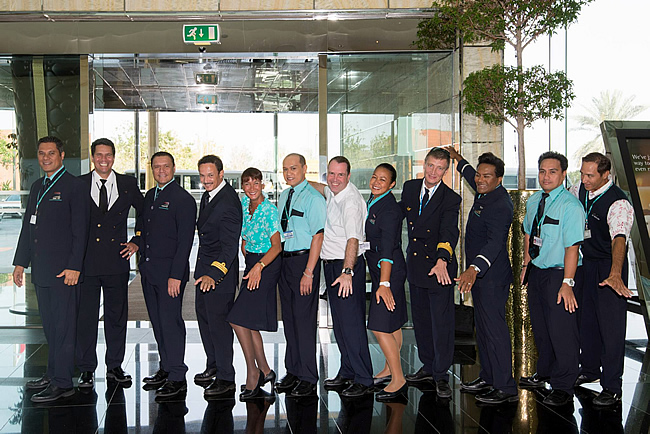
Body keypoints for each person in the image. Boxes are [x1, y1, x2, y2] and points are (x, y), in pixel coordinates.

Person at [13, 136, 89, 403]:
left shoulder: (74, 187)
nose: (46, 158)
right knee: (51, 328)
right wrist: (20, 262)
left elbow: (81, 231)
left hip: (64, 274)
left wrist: (74, 266)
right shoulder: (37, 186)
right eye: (42, 153)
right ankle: (53, 373)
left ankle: (63, 383)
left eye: (51, 153)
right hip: (42, 271)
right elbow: (28, 227)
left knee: (64, 328)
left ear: (62, 155)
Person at [447, 147, 518, 405]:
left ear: (499, 179)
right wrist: (459, 160)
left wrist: (474, 268)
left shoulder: (501, 205)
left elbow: (494, 244)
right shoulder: (484, 191)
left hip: (491, 278)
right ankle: (488, 377)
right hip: (480, 277)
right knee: (484, 331)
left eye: (487, 176)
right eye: (479, 174)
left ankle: (505, 387)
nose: (480, 179)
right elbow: (470, 175)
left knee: (495, 331)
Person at [76, 138, 144, 389]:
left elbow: (144, 212)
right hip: (86, 262)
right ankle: (86, 368)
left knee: (116, 316)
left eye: (108, 155)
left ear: (114, 157)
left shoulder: (127, 184)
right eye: (99, 155)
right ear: (92, 157)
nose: (103, 160)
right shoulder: (79, 184)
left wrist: (137, 240)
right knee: (86, 317)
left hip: (117, 260)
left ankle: (114, 366)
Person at [519, 151, 584, 407]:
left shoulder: (571, 206)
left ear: (563, 174)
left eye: (553, 172)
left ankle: (564, 386)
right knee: (541, 328)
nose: (546, 176)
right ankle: (544, 373)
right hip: (537, 272)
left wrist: (568, 283)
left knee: (562, 331)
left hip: (560, 274)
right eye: (542, 171)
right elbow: (528, 233)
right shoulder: (535, 200)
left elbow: (572, 247)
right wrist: (526, 265)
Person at [569, 152, 634, 407]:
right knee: (587, 320)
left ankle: (612, 386)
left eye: (590, 175)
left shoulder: (618, 202)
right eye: (582, 173)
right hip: (586, 263)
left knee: (611, 328)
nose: (584, 179)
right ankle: (590, 369)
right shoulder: (580, 189)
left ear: (605, 175)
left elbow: (619, 238)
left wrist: (615, 274)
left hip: (609, 265)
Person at [400, 147, 460, 399]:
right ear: (424, 165)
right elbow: (399, 214)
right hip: (416, 265)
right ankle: (427, 366)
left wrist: (442, 259)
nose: (434, 172)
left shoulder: (451, 198)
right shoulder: (410, 188)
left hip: (439, 268)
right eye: (431, 166)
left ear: (446, 171)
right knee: (422, 320)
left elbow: (449, 231)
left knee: (441, 323)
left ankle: (441, 374)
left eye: (440, 168)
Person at [311, 156, 374, 398]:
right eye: (331, 174)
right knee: (340, 324)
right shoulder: (333, 191)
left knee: (352, 325)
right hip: (332, 266)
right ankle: (348, 371)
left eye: (340, 175)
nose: (335, 179)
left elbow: (353, 240)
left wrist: (347, 272)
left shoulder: (350, 202)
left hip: (345, 268)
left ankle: (364, 378)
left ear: (348, 176)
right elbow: (322, 188)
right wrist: (299, 180)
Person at [136, 151, 196, 398]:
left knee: (171, 323)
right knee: (158, 322)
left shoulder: (183, 199)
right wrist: (136, 246)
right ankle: (166, 367)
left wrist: (176, 276)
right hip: (150, 271)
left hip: (170, 274)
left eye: (166, 166)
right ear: (151, 169)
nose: (161, 170)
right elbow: (144, 228)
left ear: (173, 168)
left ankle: (177, 375)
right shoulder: (150, 195)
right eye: (156, 167)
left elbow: (185, 242)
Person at [226, 167, 282, 401]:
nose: (252, 188)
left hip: (266, 264)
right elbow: (244, 232)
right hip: (252, 263)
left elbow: (277, 246)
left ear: (262, 184)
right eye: (247, 183)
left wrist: (259, 266)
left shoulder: (269, 210)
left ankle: (254, 372)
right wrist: (244, 243)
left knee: (237, 319)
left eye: (256, 183)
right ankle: (266, 371)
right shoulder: (243, 204)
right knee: (248, 323)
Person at [274, 153, 326, 397]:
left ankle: (307, 376)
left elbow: (318, 236)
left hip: (304, 263)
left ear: (305, 169)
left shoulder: (314, 198)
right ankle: (293, 370)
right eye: (285, 169)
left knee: (304, 321)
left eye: (293, 168)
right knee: (290, 320)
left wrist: (309, 272)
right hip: (285, 262)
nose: (289, 173)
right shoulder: (285, 195)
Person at [192, 155, 242, 398]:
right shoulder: (209, 195)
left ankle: (226, 377)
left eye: (210, 175)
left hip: (218, 276)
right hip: (204, 272)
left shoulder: (228, 201)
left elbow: (230, 247)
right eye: (202, 176)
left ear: (222, 174)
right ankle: (213, 365)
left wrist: (214, 274)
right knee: (205, 321)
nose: (206, 180)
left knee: (219, 326)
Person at [364, 163, 408, 402]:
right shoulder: (374, 200)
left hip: (388, 273)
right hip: (384, 271)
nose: (376, 182)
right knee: (393, 323)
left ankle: (398, 379)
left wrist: (385, 284)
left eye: (383, 180)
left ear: (392, 184)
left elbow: (388, 249)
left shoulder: (389, 209)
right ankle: (390, 369)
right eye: (374, 177)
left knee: (380, 326)